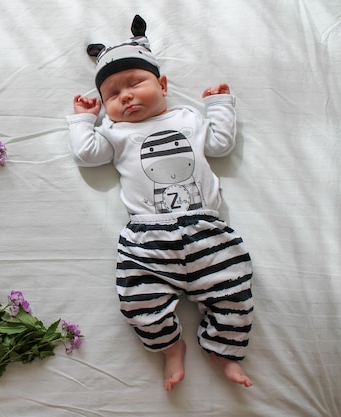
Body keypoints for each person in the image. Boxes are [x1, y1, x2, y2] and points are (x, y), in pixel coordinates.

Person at [67, 15, 254, 391]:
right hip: (146, 237)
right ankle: (170, 347)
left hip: (207, 229)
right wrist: (85, 121)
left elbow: (220, 144)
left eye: (135, 83)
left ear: (163, 84)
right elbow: (88, 154)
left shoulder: (186, 118)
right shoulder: (115, 132)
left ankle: (224, 349)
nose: (127, 96)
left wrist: (218, 105)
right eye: (113, 95)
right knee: (137, 300)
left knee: (234, 290)